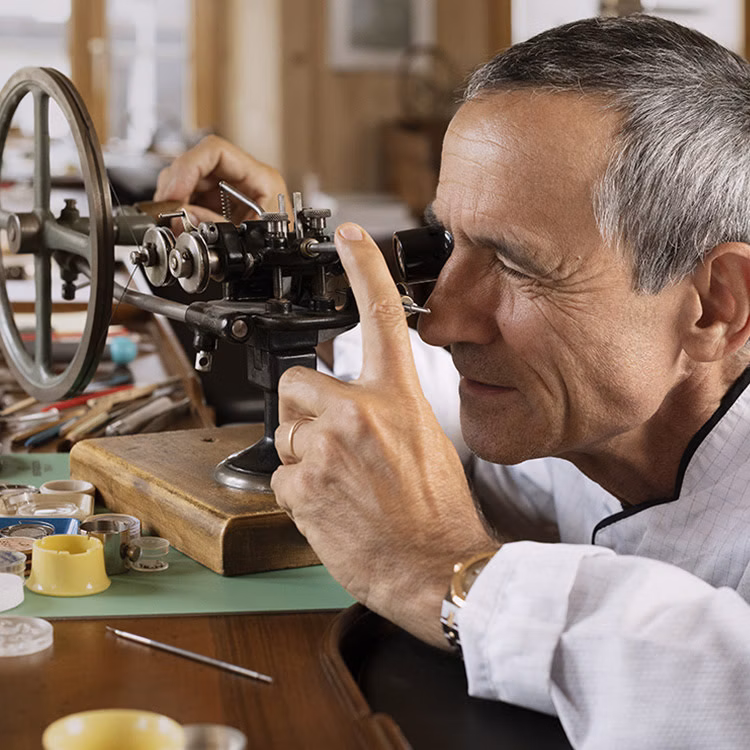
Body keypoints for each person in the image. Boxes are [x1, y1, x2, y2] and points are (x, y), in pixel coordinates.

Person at [155, 14, 750, 748]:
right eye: (449, 243)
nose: (441, 320)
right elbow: (415, 391)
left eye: (520, 264)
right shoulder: (576, 411)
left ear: (716, 305)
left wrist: (445, 571)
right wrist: (280, 274)